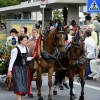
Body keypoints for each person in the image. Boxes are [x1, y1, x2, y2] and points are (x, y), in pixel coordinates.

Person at [7, 35, 34, 100]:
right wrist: (9, 71)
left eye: (26, 40)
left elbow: (25, 58)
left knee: (23, 86)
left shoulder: (26, 48)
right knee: (18, 86)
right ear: (20, 41)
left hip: (25, 69)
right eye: (25, 40)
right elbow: (12, 61)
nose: (26, 41)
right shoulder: (15, 50)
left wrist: (32, 58)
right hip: (17, 69)